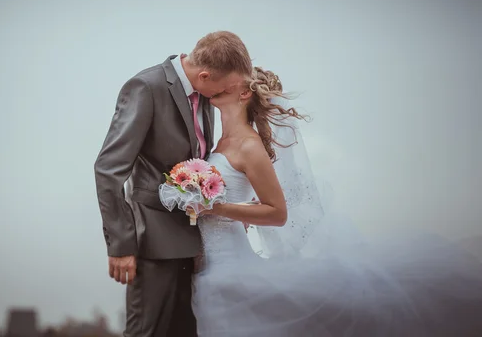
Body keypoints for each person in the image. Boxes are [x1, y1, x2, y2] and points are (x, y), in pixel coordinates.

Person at [191, 66, 482, 336]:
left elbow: (278, 214)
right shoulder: (220, 142)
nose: (216, 82)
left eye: (226, 80)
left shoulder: (250, 145)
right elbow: (248, 200)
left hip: (228, 267)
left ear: (244, 92)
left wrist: (217, 208)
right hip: (209, 259)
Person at [94, 31, 253, 337]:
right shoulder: (145, 87)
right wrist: (121, 244)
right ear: (205, 75)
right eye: (226, 87)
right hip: (152, 242)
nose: (227, 94)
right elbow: (108, 169)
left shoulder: (204, 93)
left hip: (195, 243)